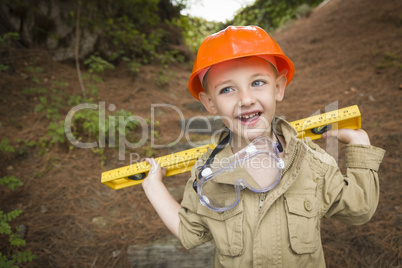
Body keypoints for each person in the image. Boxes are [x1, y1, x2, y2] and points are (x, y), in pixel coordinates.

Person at [141, 26, 386, 267]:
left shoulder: (309, 160)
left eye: (258, 83)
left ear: (278, 88)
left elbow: (358, 208)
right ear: (209, 103)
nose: (246, 99)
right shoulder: (208, 173)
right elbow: (189, 233)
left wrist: (360, 147)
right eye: (227, 89)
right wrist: (153, 186)